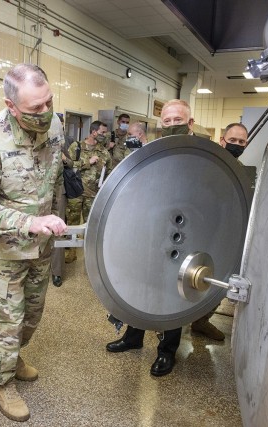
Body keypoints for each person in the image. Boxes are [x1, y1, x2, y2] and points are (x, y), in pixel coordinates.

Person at [0, 63, 67, 422]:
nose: (45, 113)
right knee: (6, 323)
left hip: (40, 249)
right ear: (10, 106)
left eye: (48, 102)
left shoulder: (55, 126)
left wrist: (54, 219)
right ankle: (0, 382)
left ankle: (14, 355)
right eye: (34, 109)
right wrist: (32, 221)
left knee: (32, 317)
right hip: (0, 253)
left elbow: (53, 182)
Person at [106, 99, 196, 377]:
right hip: (151, 233)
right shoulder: (154, 151)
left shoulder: (201, 154)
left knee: (174, 293)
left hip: (185, 232)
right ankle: (134, 336)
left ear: (189, 123)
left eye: (177, 120)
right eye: (166, 121)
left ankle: (167, 351)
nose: (171, 125)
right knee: (143, 284)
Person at [189, 122, 251, 340]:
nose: (236, 145)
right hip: (198, 232)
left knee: (218, 278)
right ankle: (174, 321)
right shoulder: (205, 164)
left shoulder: (240, 171)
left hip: (224, 235)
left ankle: (201, 320)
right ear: (222, 140)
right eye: (232, 140)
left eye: (241, 142)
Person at [64, 120, 112, 263]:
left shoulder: (104, 152)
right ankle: (70, 253)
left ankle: (90, 257)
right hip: (75, 193)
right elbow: (67, 165)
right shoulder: (76, 146)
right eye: (102, 132)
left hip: (93, 196)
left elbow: (109, 173)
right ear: (93, 132)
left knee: (92, 227)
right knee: (72, 224)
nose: (105, 135)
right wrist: (87, 162)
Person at [50, 113, 75, 287]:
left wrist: (64, 159)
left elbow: (72, 163)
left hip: (59, 192)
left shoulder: (62, 141)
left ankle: (56, 272)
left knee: (57, 231)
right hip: (37, 194)